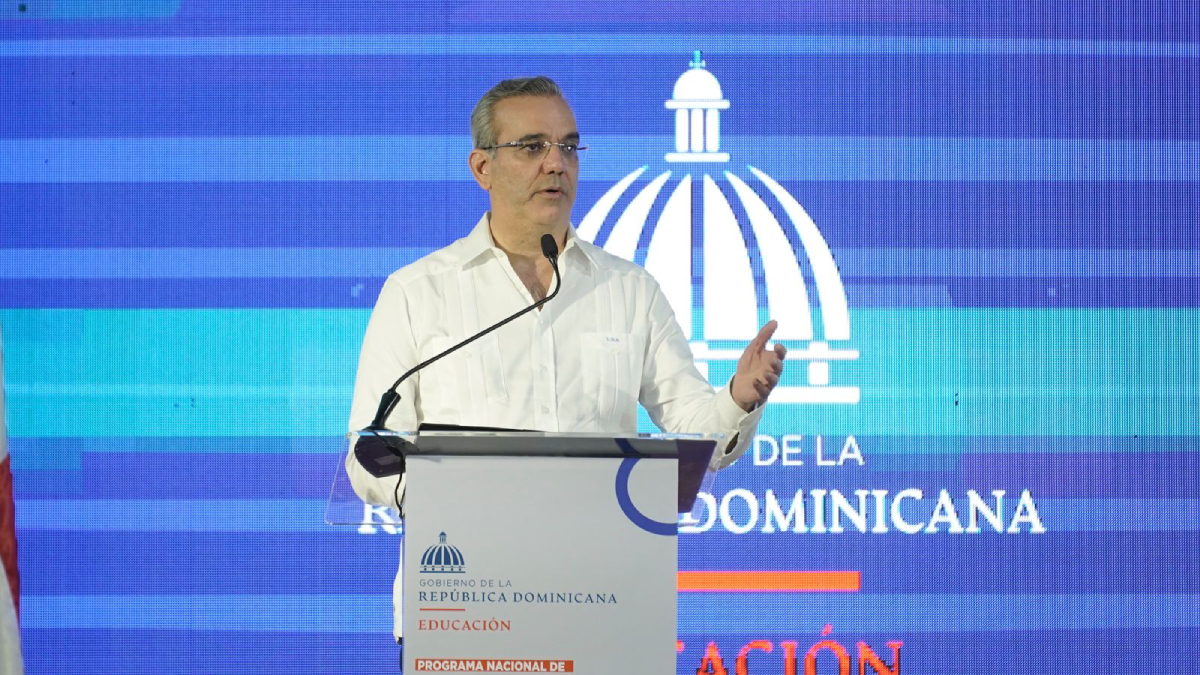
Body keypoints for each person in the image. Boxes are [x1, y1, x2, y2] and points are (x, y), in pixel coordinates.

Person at [345, 75, 787, 660]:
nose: (556, 163)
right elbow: (368, 457)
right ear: (482, 167)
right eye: (532, 147)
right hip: (465, 609)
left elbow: (696, 431)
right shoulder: (416, 293)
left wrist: (738, 397)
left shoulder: (629, 290)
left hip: (604, 605)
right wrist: (454, 499)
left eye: (569, 147)